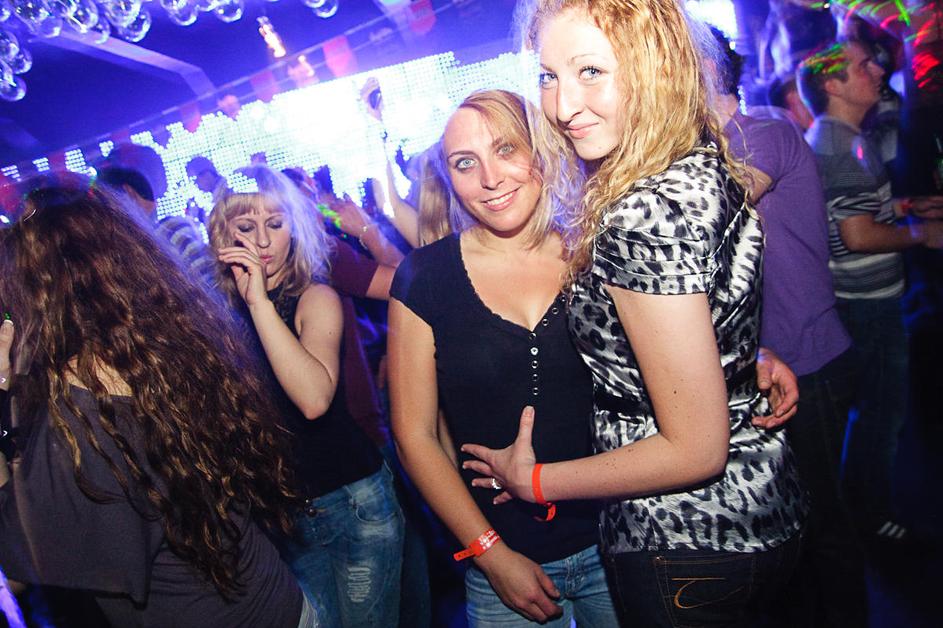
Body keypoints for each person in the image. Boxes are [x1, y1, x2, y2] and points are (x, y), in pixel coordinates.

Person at [462, 3, 805, 626]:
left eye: (590, 71)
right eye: (549, 77)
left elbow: (696, 449)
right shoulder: (698, 161)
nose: (563, 106)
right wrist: (738, 356)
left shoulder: (639, 215)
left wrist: (532, 481)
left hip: (684, 538)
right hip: (767, 509)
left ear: (655, 66)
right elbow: (704, 299)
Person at [0, 173, 313, 627]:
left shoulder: (80, 411)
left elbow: (24, 559)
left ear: (36, 295)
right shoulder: (175, 344)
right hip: (280, 601)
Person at [713, 28, 868, 626]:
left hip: (810, 360)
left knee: (823, 523)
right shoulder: (700, 156)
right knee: (781, 530)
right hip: (758, 368)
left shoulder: (761, 134)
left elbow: (712, 216)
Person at [208, 166, 404, 628]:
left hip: (350, 500)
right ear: (223, 234)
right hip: (285, 515)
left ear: (293, 228)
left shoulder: (315, 296)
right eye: (246, 227)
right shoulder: (218, 314)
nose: (262, 241)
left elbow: (314, 399)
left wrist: (259, 304)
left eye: (275, 224)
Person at [798, 39, 943, 544]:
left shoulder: (841, 137)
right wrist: (922, 234)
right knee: (882, 412)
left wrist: (903, 207)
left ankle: (861, 508)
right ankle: (869, 516)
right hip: (868, 305)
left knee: (875, 409)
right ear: (832, 84)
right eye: (863, 66)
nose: (878, 71)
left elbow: (848, 214)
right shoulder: (839, 147)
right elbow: (857, 236)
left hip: (865, 301)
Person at [96, 165, 216, 287]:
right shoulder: (169, 230)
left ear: (129, 193)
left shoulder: (169, 230)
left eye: (106, 203)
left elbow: (209, 283)